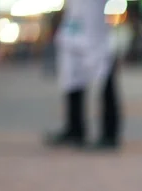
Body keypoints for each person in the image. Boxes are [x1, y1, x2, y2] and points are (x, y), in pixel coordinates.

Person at [44, 0, 122, 150]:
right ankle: (75, 129)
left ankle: (110, 134)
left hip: (95, 32)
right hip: (74, 27)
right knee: (71, 79)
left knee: (104, 77)